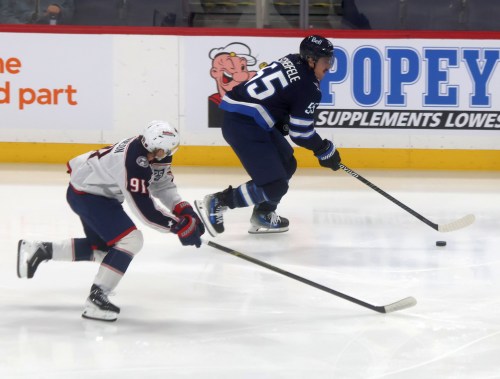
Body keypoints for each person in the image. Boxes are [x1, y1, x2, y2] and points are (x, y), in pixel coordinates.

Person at [17, 120, 205, 322]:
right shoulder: (133, 162)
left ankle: (39, 249)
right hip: (88, 195)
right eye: (160, 151)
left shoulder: (154, 152)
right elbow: (144, 210)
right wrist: (177, 225)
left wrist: (185, 211)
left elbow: (162, 186)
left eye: (167, 151)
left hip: (94, 192)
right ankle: (97, 300)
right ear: (150, 145)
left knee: (107, 251)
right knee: (131, 241)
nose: (163, 155)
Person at [195, 35, 341, 236]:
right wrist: (323, 149)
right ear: (311, 59)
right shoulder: (309, 88)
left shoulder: (291, 59)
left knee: (287, 163)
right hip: (244, 124)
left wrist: (281, 118)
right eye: (326, 61)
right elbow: (300, 133)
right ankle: (219, 201)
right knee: (275, 186)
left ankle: (263, 214)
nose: (329, 66)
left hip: (245, 118)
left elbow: (280, 96)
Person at [0, 1, 74, 25]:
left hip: (55, 39)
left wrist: (60, 11)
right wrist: (23, 30)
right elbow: (4, 15)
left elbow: (73, 15)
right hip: (17, 38)